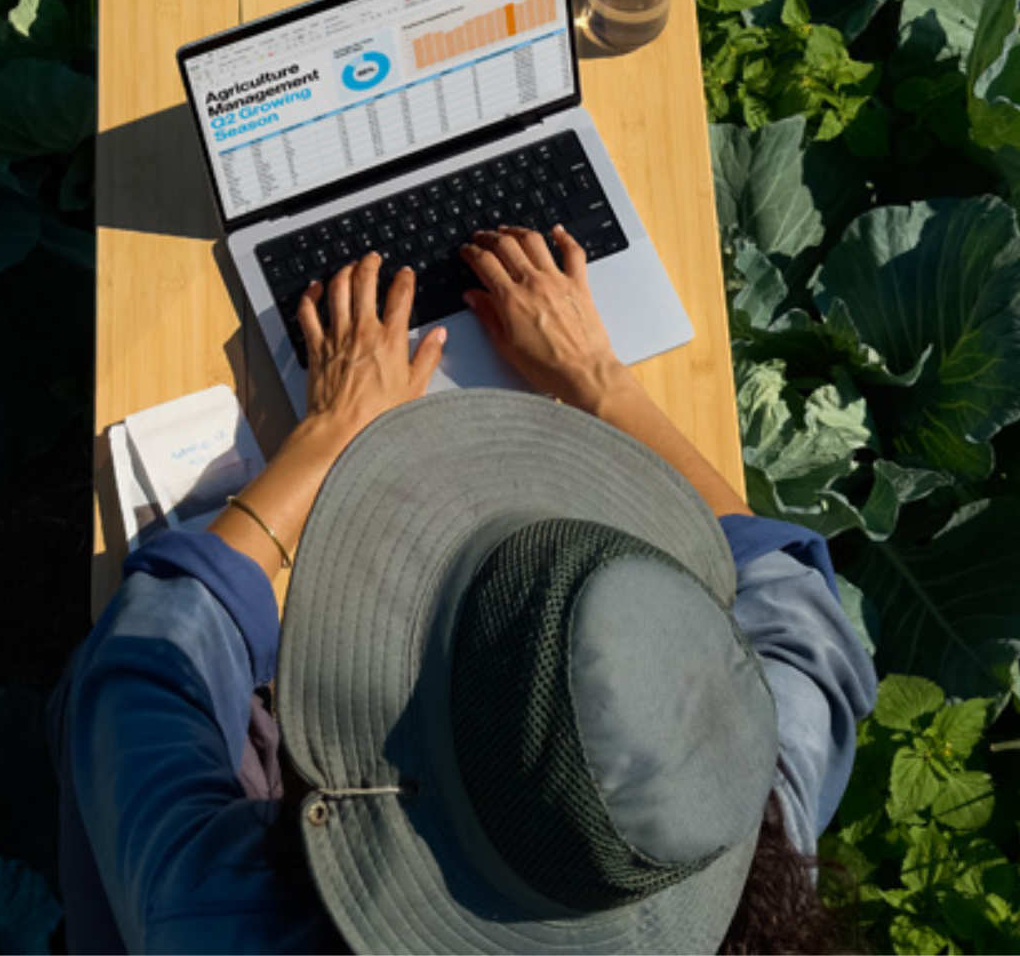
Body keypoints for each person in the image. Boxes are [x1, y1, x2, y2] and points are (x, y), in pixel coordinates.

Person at [48, 224, 878, 954]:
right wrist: (597, 377)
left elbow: (142, 663)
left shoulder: (222, 918)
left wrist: (331, 440)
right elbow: (799, 612)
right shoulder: (714, 827)